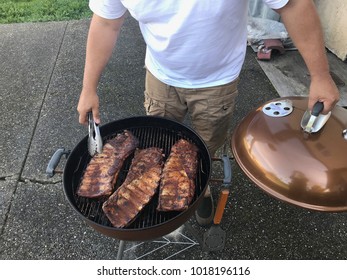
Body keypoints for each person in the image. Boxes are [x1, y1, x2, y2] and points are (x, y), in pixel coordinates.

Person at [77, 0, 340, 226]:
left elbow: (293, 5)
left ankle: (199, 190)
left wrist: (320, 76)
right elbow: (106, 23)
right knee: (154, 145)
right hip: (160, 75)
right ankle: (149, 184)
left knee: (205, 147)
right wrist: (88, 88)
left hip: (218, 81)